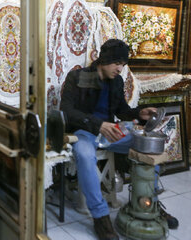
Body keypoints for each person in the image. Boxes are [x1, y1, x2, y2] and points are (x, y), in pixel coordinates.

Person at [60, 39, 178, 240]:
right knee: (84, 153)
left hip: (110, 132)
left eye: (123, 64)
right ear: (104, 60)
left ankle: (150, 203)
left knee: (147, 144)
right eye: (117, 63)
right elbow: (67, 111)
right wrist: (98, 125)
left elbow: (122, 111)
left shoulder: (116, 82)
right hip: (85, 132)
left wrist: (140, 114)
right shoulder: (77, 77)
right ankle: (100, 217)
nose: (120, 68)